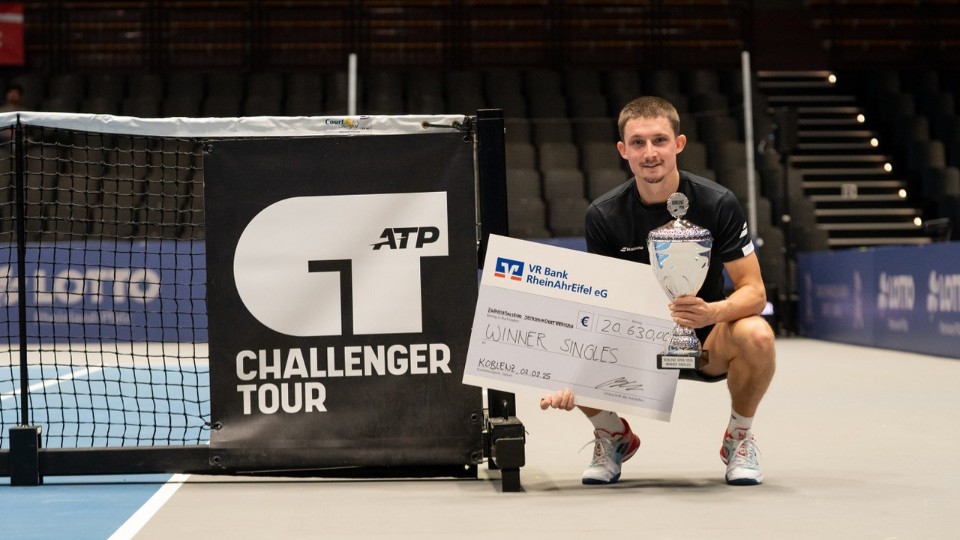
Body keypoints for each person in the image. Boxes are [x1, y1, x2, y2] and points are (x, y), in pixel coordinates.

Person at [540, 96, 776, 486]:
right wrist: (567, 378)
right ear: (623, 151)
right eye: (638, 143)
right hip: (636, 345)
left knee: (757, 334)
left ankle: (738, 438)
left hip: (706, 341)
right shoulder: (603, 215)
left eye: (659, 140)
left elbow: (755, 292)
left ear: (678, 144)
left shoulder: (718, 203)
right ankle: (613, 435)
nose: (650, 153)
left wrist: (712, 313)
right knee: (557, 346)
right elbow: (600, 302)